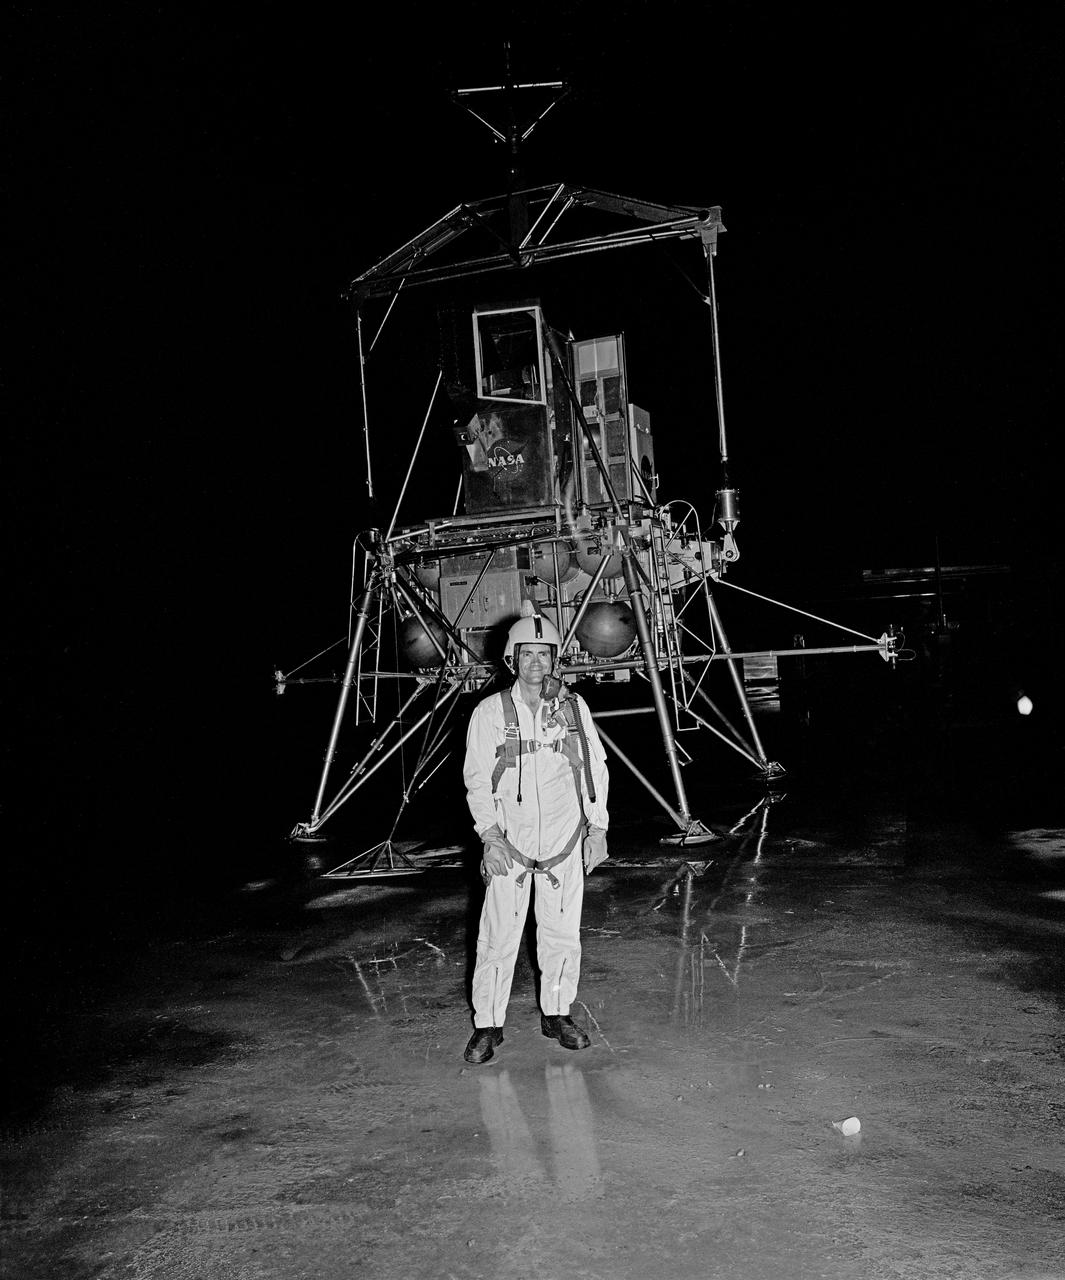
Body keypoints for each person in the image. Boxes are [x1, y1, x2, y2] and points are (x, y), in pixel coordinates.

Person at [462, 603, 610, 1064]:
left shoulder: (572, 707)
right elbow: (476, 778)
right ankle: (488, 1024)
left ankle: (558, 1013)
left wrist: (598, 827)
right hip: (511, 844)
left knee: (562, 935)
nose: (536, 664)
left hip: (565, 841)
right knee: (498, 938)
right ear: (514, 659)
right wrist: (490, 837)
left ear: (554, 660)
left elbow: (594, 767)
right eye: (527, 655)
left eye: (544, 655)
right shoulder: (489, 713)